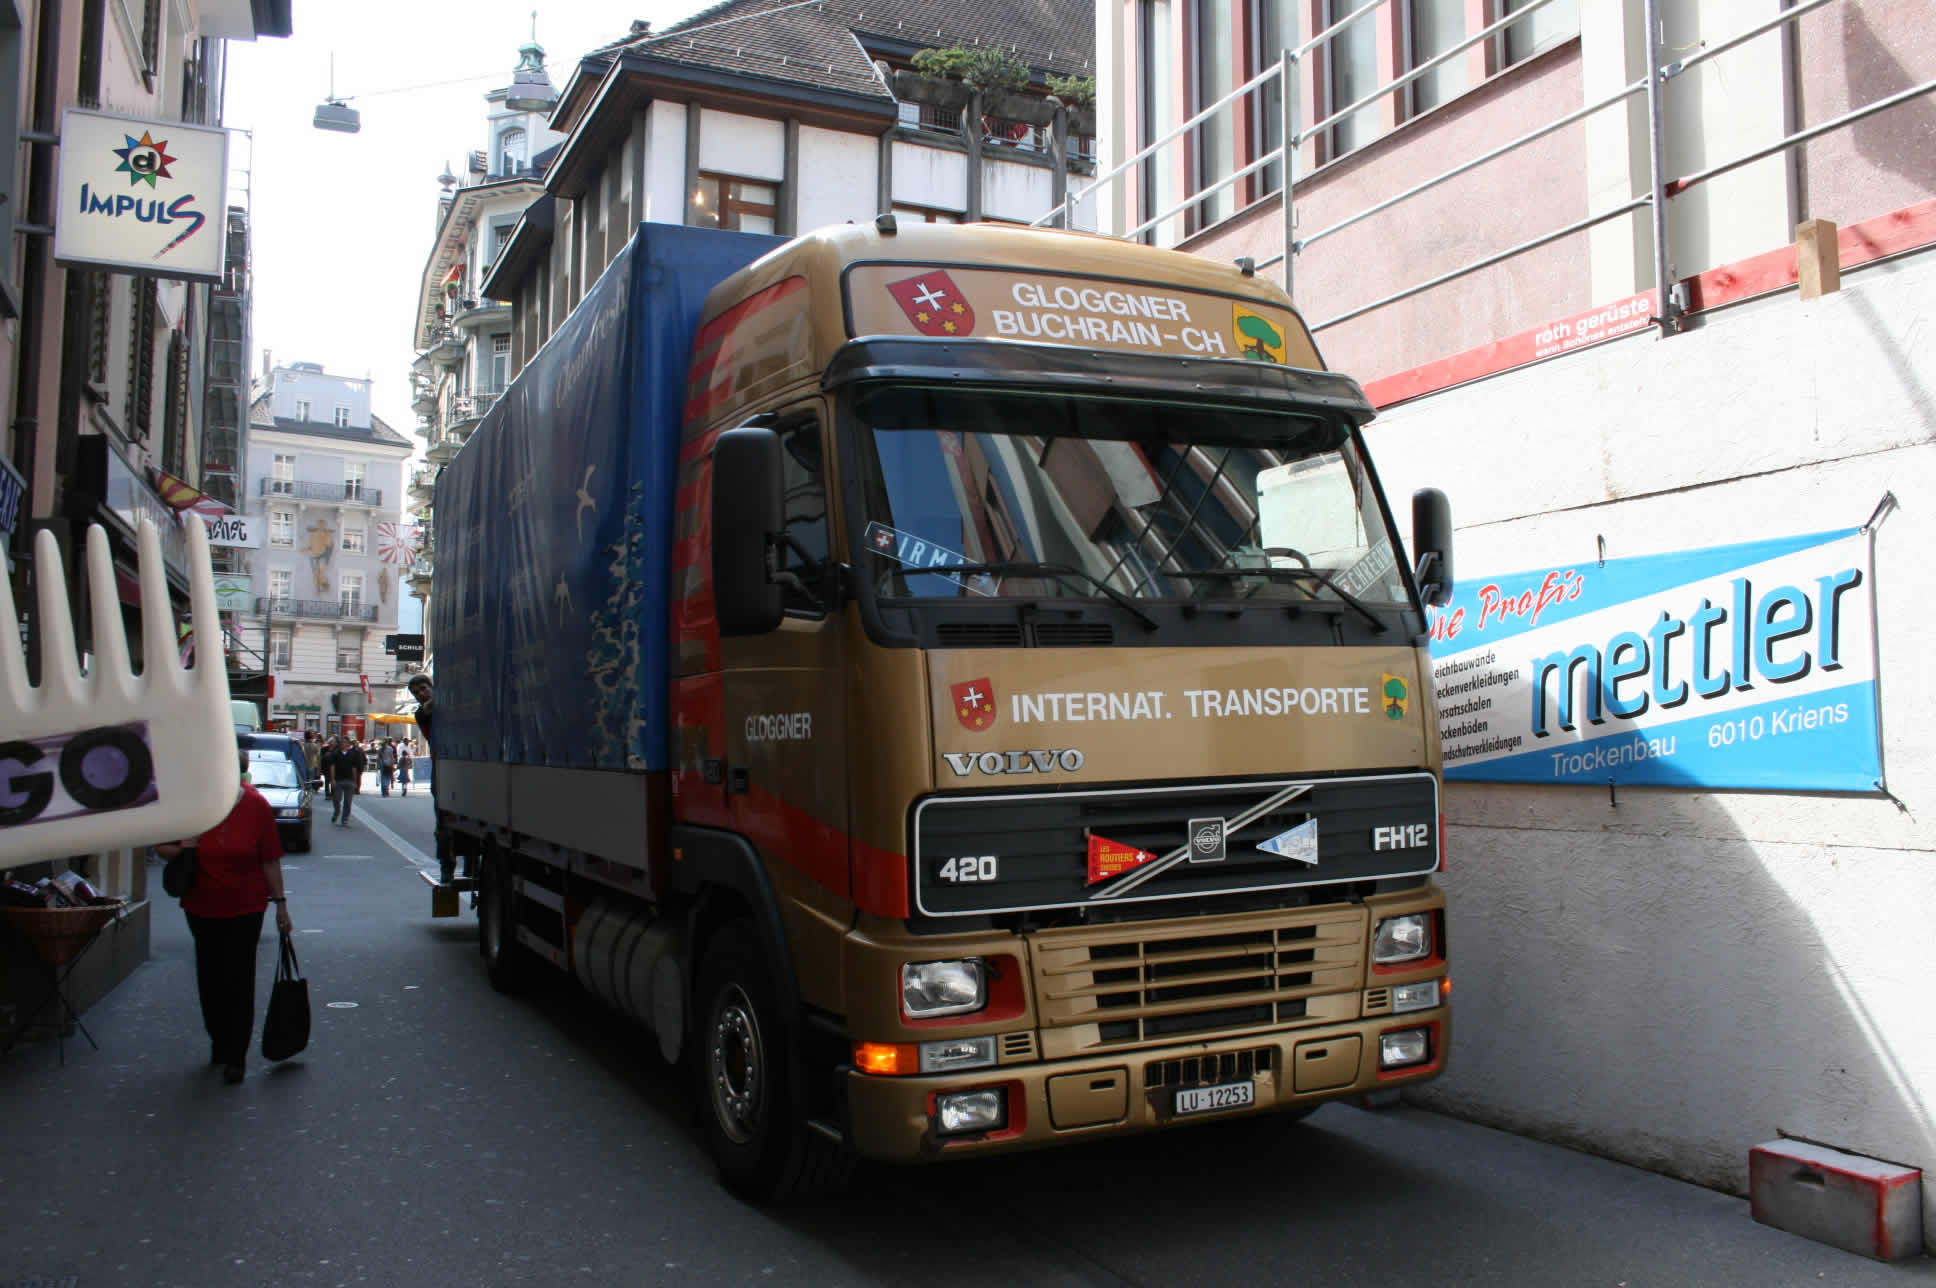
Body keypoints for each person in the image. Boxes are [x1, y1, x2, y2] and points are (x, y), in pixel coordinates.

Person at [156, 751, 293, 1084]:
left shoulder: (256, 807)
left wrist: (280, 905)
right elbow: (162, 847)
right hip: (200, 905)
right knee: (210, 977)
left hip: (246, 907)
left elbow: (269, 860)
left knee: (239, 978)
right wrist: (186, 847)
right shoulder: (194, 806)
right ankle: (219, 1040)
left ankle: (236, 1055)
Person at [326, 736, 366, 826]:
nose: (343, 744)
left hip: (349, 780)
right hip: (338, 780)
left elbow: (354, 768)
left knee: (348, 801)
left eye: (345, 742)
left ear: (348, 744)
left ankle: (345, 819)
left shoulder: (353, 754)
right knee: (337, 799)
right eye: (341, 742)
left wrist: (355, 781)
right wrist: (332, 779)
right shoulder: (335, 754)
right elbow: (332, 766)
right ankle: (336, 812)